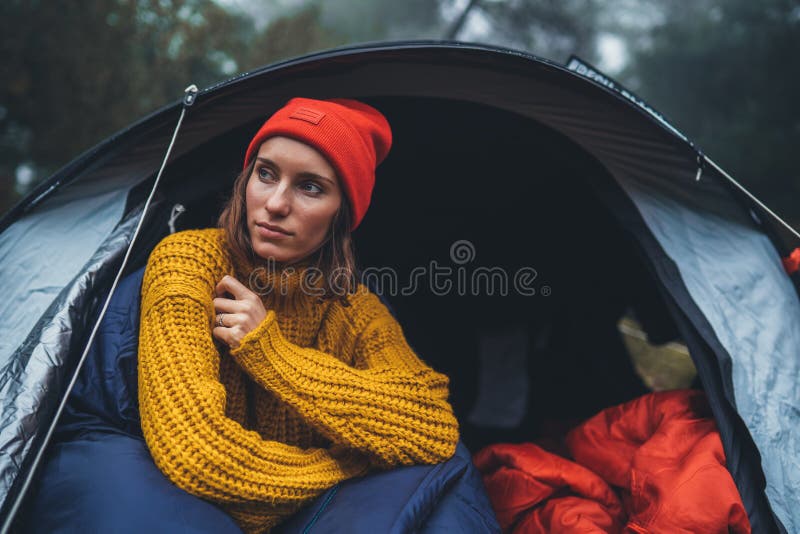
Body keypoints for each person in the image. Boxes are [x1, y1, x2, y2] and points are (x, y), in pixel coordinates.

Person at [137, 97, 460, 533]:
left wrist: (272, 355)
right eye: (265, 174)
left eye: (310, 187)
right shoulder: (188, 262)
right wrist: (347, 466)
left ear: (341, 214)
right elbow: (196, 452)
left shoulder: (353, 307)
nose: (274, 203)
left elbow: (432, 426)